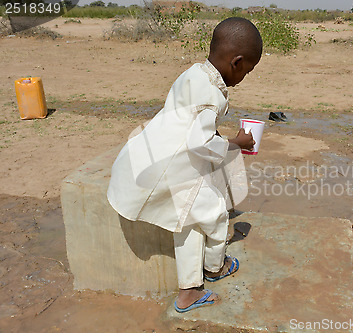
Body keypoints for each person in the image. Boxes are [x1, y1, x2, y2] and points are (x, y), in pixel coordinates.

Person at [107, 17, 263, 312]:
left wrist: (219, 139)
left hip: (151, 157)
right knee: (215, 213)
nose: (244, 77)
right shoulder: (210, 97)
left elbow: (188, 124)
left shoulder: (195, 73)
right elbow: (199, 144)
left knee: (189, 220)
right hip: (167, 171)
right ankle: (215, 268)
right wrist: (237, 144)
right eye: (247, 71)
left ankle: (189, 291)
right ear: (237, 62)